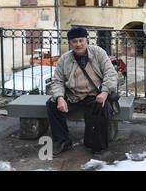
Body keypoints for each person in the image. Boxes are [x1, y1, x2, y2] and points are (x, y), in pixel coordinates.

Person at [46, 27, 118, 156]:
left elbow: (111, 74)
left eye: (81, 40)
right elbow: (57, 81)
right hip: (73, 95)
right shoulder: (64, 59)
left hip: (94, 94)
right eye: (74, 41)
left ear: (86, 40)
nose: (78, 44)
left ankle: (97, 145)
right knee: (52, 105)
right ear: (70, 43)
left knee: (102, 108)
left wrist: (105, 92)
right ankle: (62, 140)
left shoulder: (98, 53)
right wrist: (60, 98)